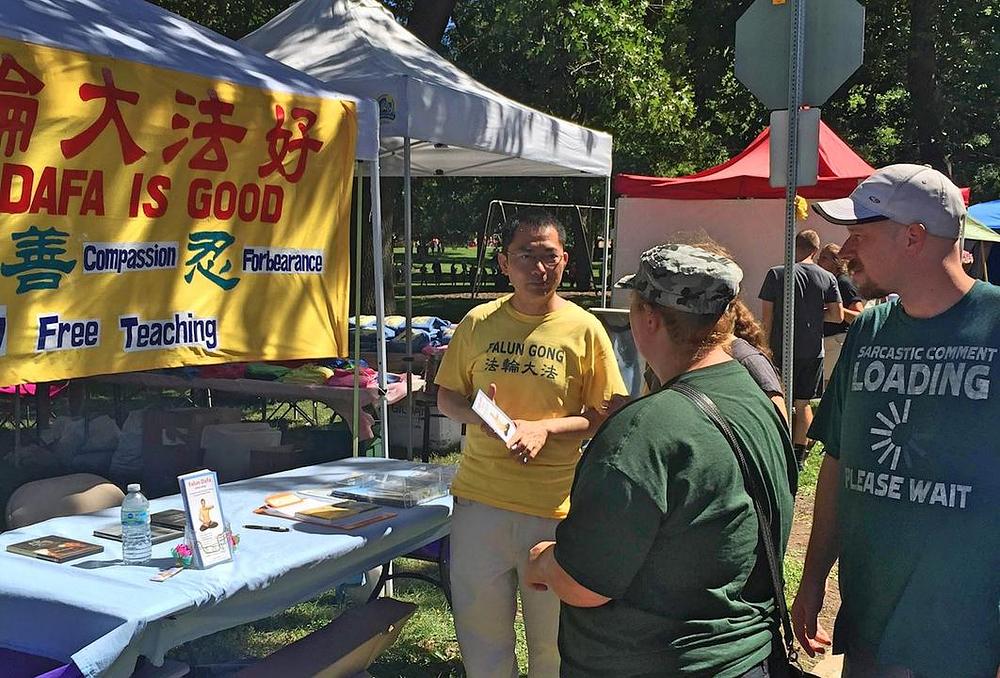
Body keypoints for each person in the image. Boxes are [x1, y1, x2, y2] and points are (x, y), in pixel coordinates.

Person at [525, 243, 796, 678]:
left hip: (660, 661)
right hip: (746, 658)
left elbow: (584, 584)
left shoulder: (642, 431)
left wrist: (543, 561)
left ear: (649, 318)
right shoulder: (757, 399)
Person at [793, 164, 1000, 678]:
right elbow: (839, 461)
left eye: (860, 234)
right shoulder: (870, 331)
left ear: (915, 236)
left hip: (968, 640)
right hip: (870, 632)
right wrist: (814, 576)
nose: (844, 251)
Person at [436, 212, 627, 678]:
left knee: (554, 647)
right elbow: (447, 396)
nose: (539, 269)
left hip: (555, 511)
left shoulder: (585, 329)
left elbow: (609, 409)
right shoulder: (478, 322)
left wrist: (548, 429)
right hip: (480, 505)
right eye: (527, 256)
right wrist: (479, 417)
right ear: (504, 263)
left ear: (565, 262)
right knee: (482, 642)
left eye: (550, 257)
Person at [758, 229, 844, 466]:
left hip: (780, 348)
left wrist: (765, 346)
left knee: (777, 398)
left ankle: (778, 448)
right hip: (812, 350)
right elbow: (837, 316)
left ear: (795, 247)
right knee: (803, 402)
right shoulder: (827, 278)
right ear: (816, 250)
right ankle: (798, 456)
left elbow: (768, 317)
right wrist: (815, 316)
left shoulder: (776, 274)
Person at [817, 243, 865, 383]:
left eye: (824, 258)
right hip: (828, 342)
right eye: (819, 257)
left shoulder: (843, 283)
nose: (819, 262)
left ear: (836, 262)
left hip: (837, 342)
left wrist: (836, 309)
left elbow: (859, 316)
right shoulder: (828, 282)